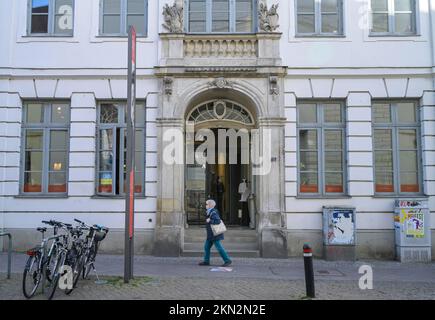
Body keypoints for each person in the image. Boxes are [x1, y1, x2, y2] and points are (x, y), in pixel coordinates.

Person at [198, 199, 232, 267]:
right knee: (206, 247)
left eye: (206, 204)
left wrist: (210, 220)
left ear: (210, 205)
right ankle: (206, 261)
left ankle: (227, 260)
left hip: (215, 234)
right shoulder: (210, 212)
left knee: (219, 248)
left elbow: (218, 221)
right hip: (211, 235)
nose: (206, 205)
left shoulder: (213, 212)